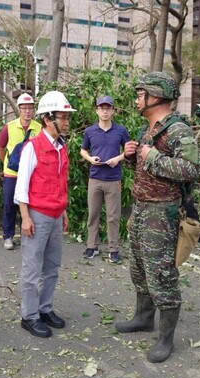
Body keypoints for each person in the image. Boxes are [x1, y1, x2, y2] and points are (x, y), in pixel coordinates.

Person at [115, 72, 200, 363]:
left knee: (162, 274)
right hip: (140, 208)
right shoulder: (147, 130)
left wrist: (151, 156)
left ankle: (166, 339)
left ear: (156, 96)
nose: (137, 99)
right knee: (139, 268)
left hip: (161, 212)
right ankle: (143, 317)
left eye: (141, 94)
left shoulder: (178, 131)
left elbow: (192, 170)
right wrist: (131, 156)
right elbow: (145, 167)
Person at [14, 91, 76, 338]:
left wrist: (64, 211)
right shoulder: (33, 147)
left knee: (51, 267)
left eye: (67, 117)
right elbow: (21, 186)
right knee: (32, 269)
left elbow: (61, 182)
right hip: (37, 216)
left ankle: (45, 308)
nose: (66, 122)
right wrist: (25, 217)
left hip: (55, 214)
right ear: (48, 119)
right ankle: (29, 316)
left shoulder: (61, 147)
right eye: (63, 117)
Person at [80, 96, 130, 263]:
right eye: (102, 108)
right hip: (95, 178)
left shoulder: (120, 131)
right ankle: (92, 246)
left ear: (113, 111)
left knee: (113, 216)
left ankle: (113, 249)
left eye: (108, 108)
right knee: (93, 214)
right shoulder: (90, 131)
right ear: (97, 111)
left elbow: (130, 150)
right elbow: (83, 150)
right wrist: (90, 159)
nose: (105, 111)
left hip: (113, 179)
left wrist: (118, 158)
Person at [0, 93, 42, 250]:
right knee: (9, 204)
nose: (27, 112)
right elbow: (0, 147)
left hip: (32, 174)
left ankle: (28, 235)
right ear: (19, 109)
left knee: (31, 205)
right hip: (12, 174)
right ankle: (8, 236)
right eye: (24, 108)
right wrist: (7, 163)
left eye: (30, 108)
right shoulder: (9, 127)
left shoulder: (39, 128)